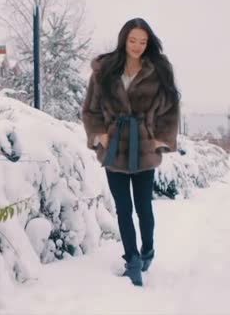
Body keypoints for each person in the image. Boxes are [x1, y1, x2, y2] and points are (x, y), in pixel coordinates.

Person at [81, 18, 180, 287]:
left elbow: (171, 108)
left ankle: (147, 250)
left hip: (144, 147)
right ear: (124, 39)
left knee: (144, 207)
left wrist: (161, 139)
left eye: (143, 41)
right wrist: (99, 134)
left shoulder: (158, 70)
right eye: (133, 40)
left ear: (148, 44)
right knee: (123, 209)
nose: (137, 46)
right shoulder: (104, 70)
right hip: (114, 149)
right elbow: (90, 109)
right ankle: (132, 260)